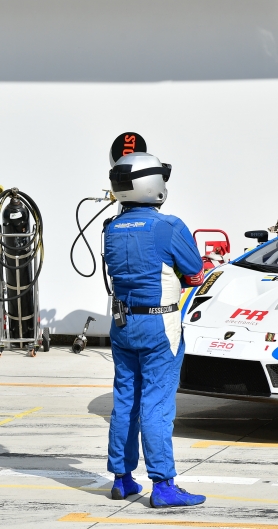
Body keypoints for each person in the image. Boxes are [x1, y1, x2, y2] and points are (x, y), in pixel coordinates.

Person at [105, 152, 206, 507]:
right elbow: (195, 271)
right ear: (153, 185)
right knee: (157, 403)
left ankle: (122, 479)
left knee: (125, 400)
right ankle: (163, 485)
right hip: (159, 324)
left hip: (122, 323)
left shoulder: (111, 228)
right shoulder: (169, 225)